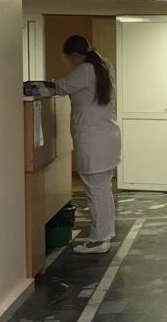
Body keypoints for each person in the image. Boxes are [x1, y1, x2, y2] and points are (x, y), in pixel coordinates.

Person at [48, 35, 121, 255]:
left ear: (74, 55)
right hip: (106, 137)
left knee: (95, 192)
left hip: (93, 141)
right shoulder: (103, 65)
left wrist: (44, 85)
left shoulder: (85, 70)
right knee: (103, 190)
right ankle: (105, 235)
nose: (69, 62)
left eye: (69, 58)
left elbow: (61, 87)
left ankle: (99, 241)